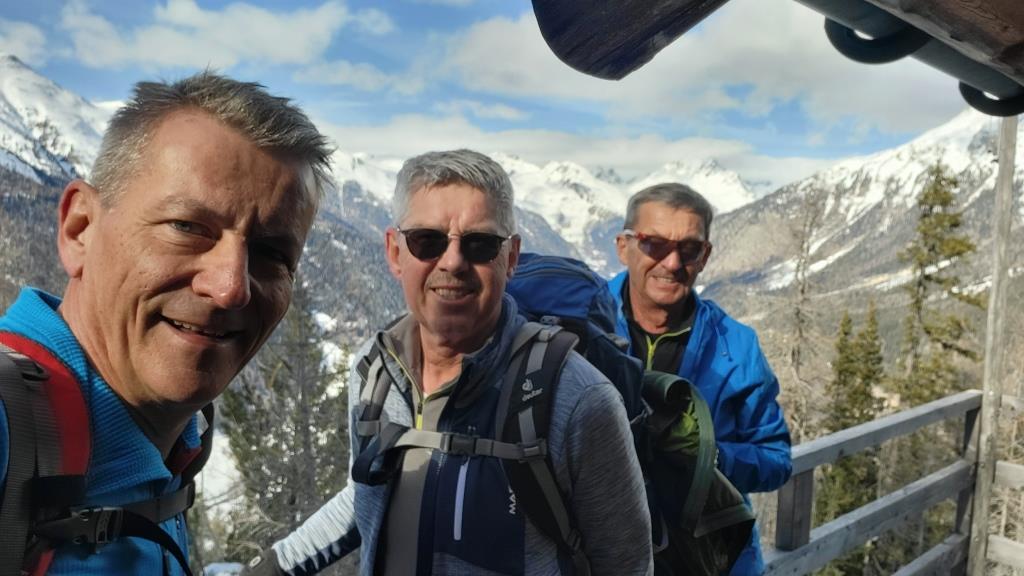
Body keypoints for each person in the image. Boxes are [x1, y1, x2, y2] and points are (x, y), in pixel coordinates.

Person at [245, 149, 652, 576]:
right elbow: (368, 491)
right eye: (427, 240)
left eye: (480, 244)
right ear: (395, 252)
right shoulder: (374, 372)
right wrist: (275, 565)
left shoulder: (578, 399)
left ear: (511, 257)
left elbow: (626, 564)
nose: (453, 262)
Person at [0, 71, 332, 575]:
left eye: (271, 253)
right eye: (186, 227)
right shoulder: (12, 430)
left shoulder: (174, 447)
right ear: (80, 229)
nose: (230, 288)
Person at [608, 183, 792, 575]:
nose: (672, 262)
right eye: (654, 244)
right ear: (624, 247)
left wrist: (710, 456)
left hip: (708, 558)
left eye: (689, 249)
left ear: (705, 256)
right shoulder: (584, 324)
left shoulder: (737, 348)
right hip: (603, 552)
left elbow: (776, 460)